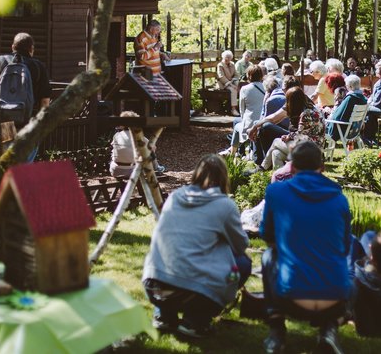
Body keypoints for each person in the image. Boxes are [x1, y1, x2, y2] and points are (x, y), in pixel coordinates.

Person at [142, 155, 251, 338]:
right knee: (242, 263)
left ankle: (164, 314)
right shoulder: (224, 205)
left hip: (153, 283)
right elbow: (241, 246)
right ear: (224, 178)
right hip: (189, 290)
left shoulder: (175, 196)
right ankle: (196, 318)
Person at [261, 141, 352, 354]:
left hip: (291, 296)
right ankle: (329, 329)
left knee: (268, 256)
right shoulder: (339, 199)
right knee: (343, 261)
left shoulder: (276, 192)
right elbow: (345, 246)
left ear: (291, 167)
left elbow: (267, 235)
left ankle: (276, 332)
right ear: (322, 168)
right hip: (335, 297)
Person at [0, 32, 51, 161]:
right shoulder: (38, 66)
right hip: (29, 121)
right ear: (31, 49)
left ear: (13, 47)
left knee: (7, 154)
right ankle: (21, 178)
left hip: (6, 120)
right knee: (26, 156)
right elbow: (45, 101)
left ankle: (9, 177)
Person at [257, 87, 326, 171]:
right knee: (276, 153)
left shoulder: (306, 114)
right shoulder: (313, 109)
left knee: (276, 141)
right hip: (314, 148)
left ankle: (262, 168)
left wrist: (288, 137)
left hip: (309, 150)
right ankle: (281, 179)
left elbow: (300, 135)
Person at [247, 76, 293, 165]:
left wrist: (255, 127)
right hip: (292, 132)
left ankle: (259, 160)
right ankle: (263, 164)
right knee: (260, 125)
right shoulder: (294, 100)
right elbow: (275, 118)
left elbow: (268, 119)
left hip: (294, 136)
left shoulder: (273, 100)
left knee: (264, 127)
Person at [222, 65, 265, 157]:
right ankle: (241, 150)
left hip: (250, 124)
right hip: (264, 121)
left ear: (249, 76)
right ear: (261, 75)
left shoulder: (245, 89)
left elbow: (242, 110)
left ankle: (234, 153)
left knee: (237, 125)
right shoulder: (266, 87)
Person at [327, 75, 368, 140]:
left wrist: (330, 115)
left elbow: (337, 116)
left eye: (346, 86)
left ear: (350, 86)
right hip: (354, 130)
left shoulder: (350, 98)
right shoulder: (363, 98)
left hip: (342, 131)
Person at [217, 50, 240, 116]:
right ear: (223, 57)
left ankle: (242, 106)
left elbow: (236, 74)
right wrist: (231, 84)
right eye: (226, 57)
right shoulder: (220, 65)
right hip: (223, 83)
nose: (227, 59)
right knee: (233, 90)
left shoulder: (232, 64)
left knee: (240, 86)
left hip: (231, 81)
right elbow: (221, 77)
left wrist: (234, 80)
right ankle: (233, 109)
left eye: (229, 57)